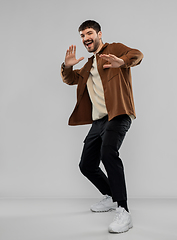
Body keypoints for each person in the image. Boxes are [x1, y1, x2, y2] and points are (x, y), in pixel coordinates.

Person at [60, 20, 143, 233]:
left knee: (108, 154)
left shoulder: (114, 49)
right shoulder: (88, 65)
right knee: (86, 165)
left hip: (118, 114)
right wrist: (67, 66)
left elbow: (137, 54)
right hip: (99, 121)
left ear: (99, 34)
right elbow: (70, 79)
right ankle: (110, 196)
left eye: (89, 33)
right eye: (82, 35)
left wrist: (122, 62)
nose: (86, 38)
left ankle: (124, 211)